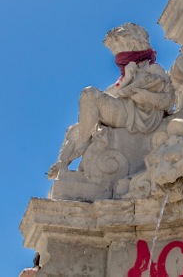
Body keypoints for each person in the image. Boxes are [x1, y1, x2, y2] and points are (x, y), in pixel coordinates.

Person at [47, 24, 174, 179]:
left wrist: (143, 94)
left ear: (134, 46)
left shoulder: (154, 69)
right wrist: (127, 79)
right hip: (126, 111)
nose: (120, 61)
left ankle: (81, 145)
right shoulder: (127, 75)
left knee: (89, 94)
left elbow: (167, 101)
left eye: (122, 55)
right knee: (75, 128)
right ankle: (63, 162)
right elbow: (110, 95)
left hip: (139, 117)